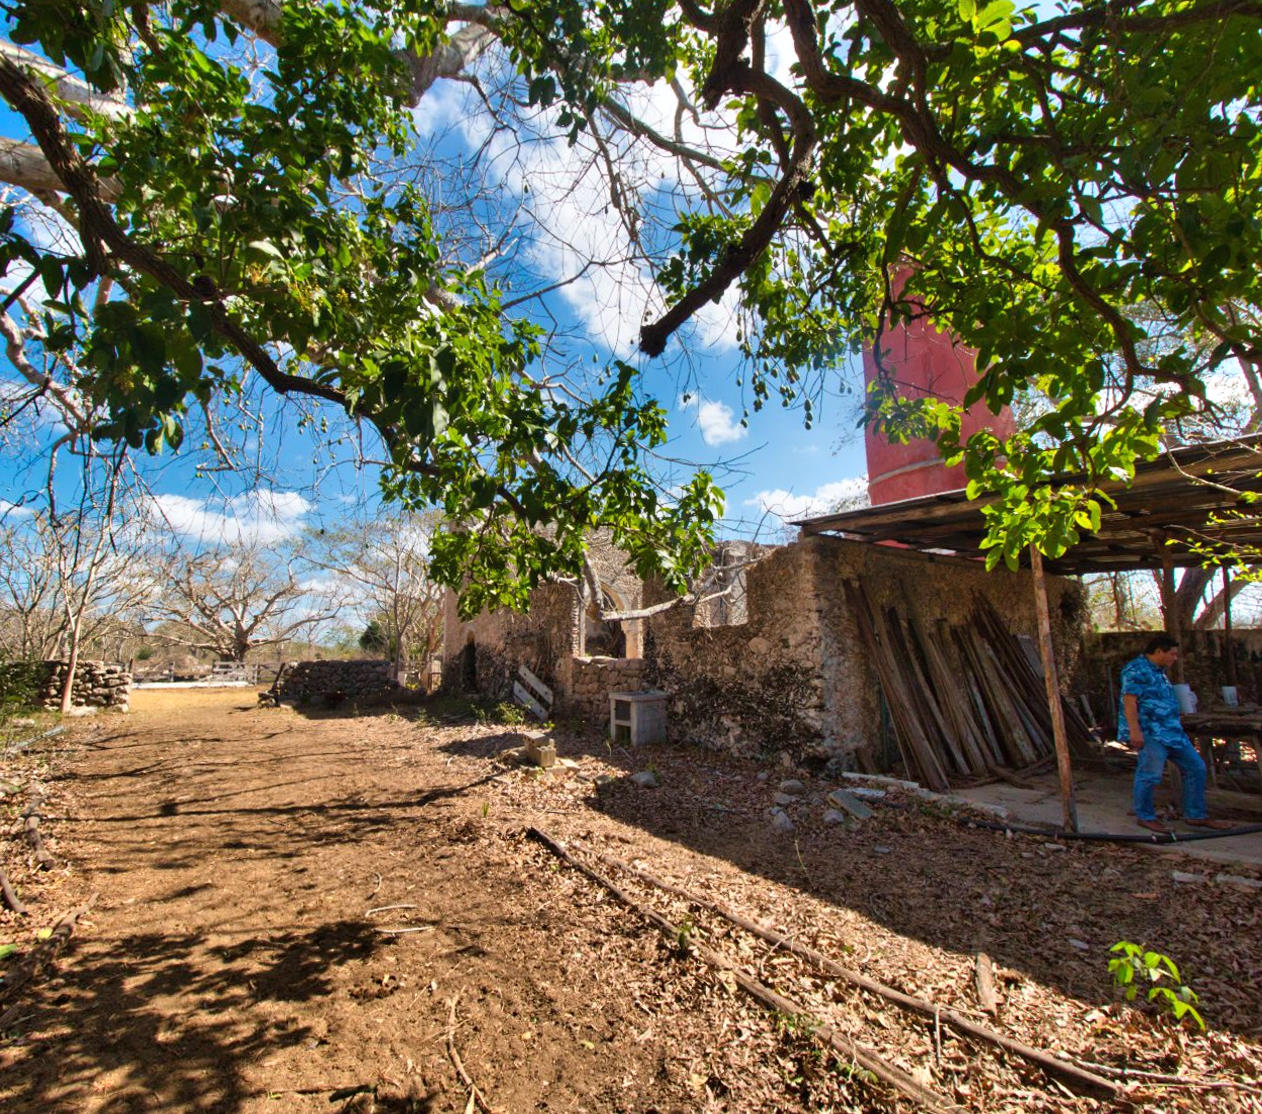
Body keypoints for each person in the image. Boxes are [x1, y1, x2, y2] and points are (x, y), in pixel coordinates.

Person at [1119, 635, 1233, 833]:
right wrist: (1135, 731)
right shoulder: (1136, 669)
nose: (1175, 658)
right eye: (1172, 654)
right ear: (1159, 651)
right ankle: (1145, 816)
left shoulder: (1160, 672)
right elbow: (1129, 702)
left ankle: (1196, 814)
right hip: (1151, 732)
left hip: (1171, 731)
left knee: (1196, 768)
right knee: (1150, 775)